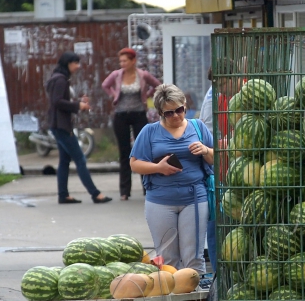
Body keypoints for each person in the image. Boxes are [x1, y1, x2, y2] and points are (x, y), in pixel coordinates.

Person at [129, 84, 214, 273]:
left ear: (185, 105)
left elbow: (216, 157)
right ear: (160, 113)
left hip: (194, 198)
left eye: (179, 110)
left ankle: (196, 300)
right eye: (169, 113)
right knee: (168, 259)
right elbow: (134, 163)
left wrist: (205, 150)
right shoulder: (149, 132)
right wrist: (158, 167)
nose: (176, 116)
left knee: (193, 257)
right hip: (160, 201)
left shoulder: (197, 127)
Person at [45, 52, 112, 205]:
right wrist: (78, 105)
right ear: (67, 63)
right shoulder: (61, 80)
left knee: (64, 160)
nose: (78, 66)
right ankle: (95, 194)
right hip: (61, 126)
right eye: (75, 63)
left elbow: (60, 101)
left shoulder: (57, 78)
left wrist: (78, 103)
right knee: (80, 159)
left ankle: (63, 195)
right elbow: (57, 102)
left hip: (58, 125)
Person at [102, 48, 162, 201]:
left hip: (139, 115)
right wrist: (114, 95)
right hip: (121, 115)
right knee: (124, 153)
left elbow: (157, 85)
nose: (122, 63)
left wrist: (146, 96)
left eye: (125, 61)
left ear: (133, 61)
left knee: (142, 151)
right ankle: (124, 191)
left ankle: (146, 187)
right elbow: (105, 85)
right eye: (120, 61)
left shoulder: (142, 75)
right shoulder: (116, 75)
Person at [199, 63, 238, 272]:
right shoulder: (219, 99)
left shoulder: (247, 98)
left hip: (243, 175)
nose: (220, 89)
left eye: (223, 83)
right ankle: (218, 276)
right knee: (214, 227)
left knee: (236, 227)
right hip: (222, 172)